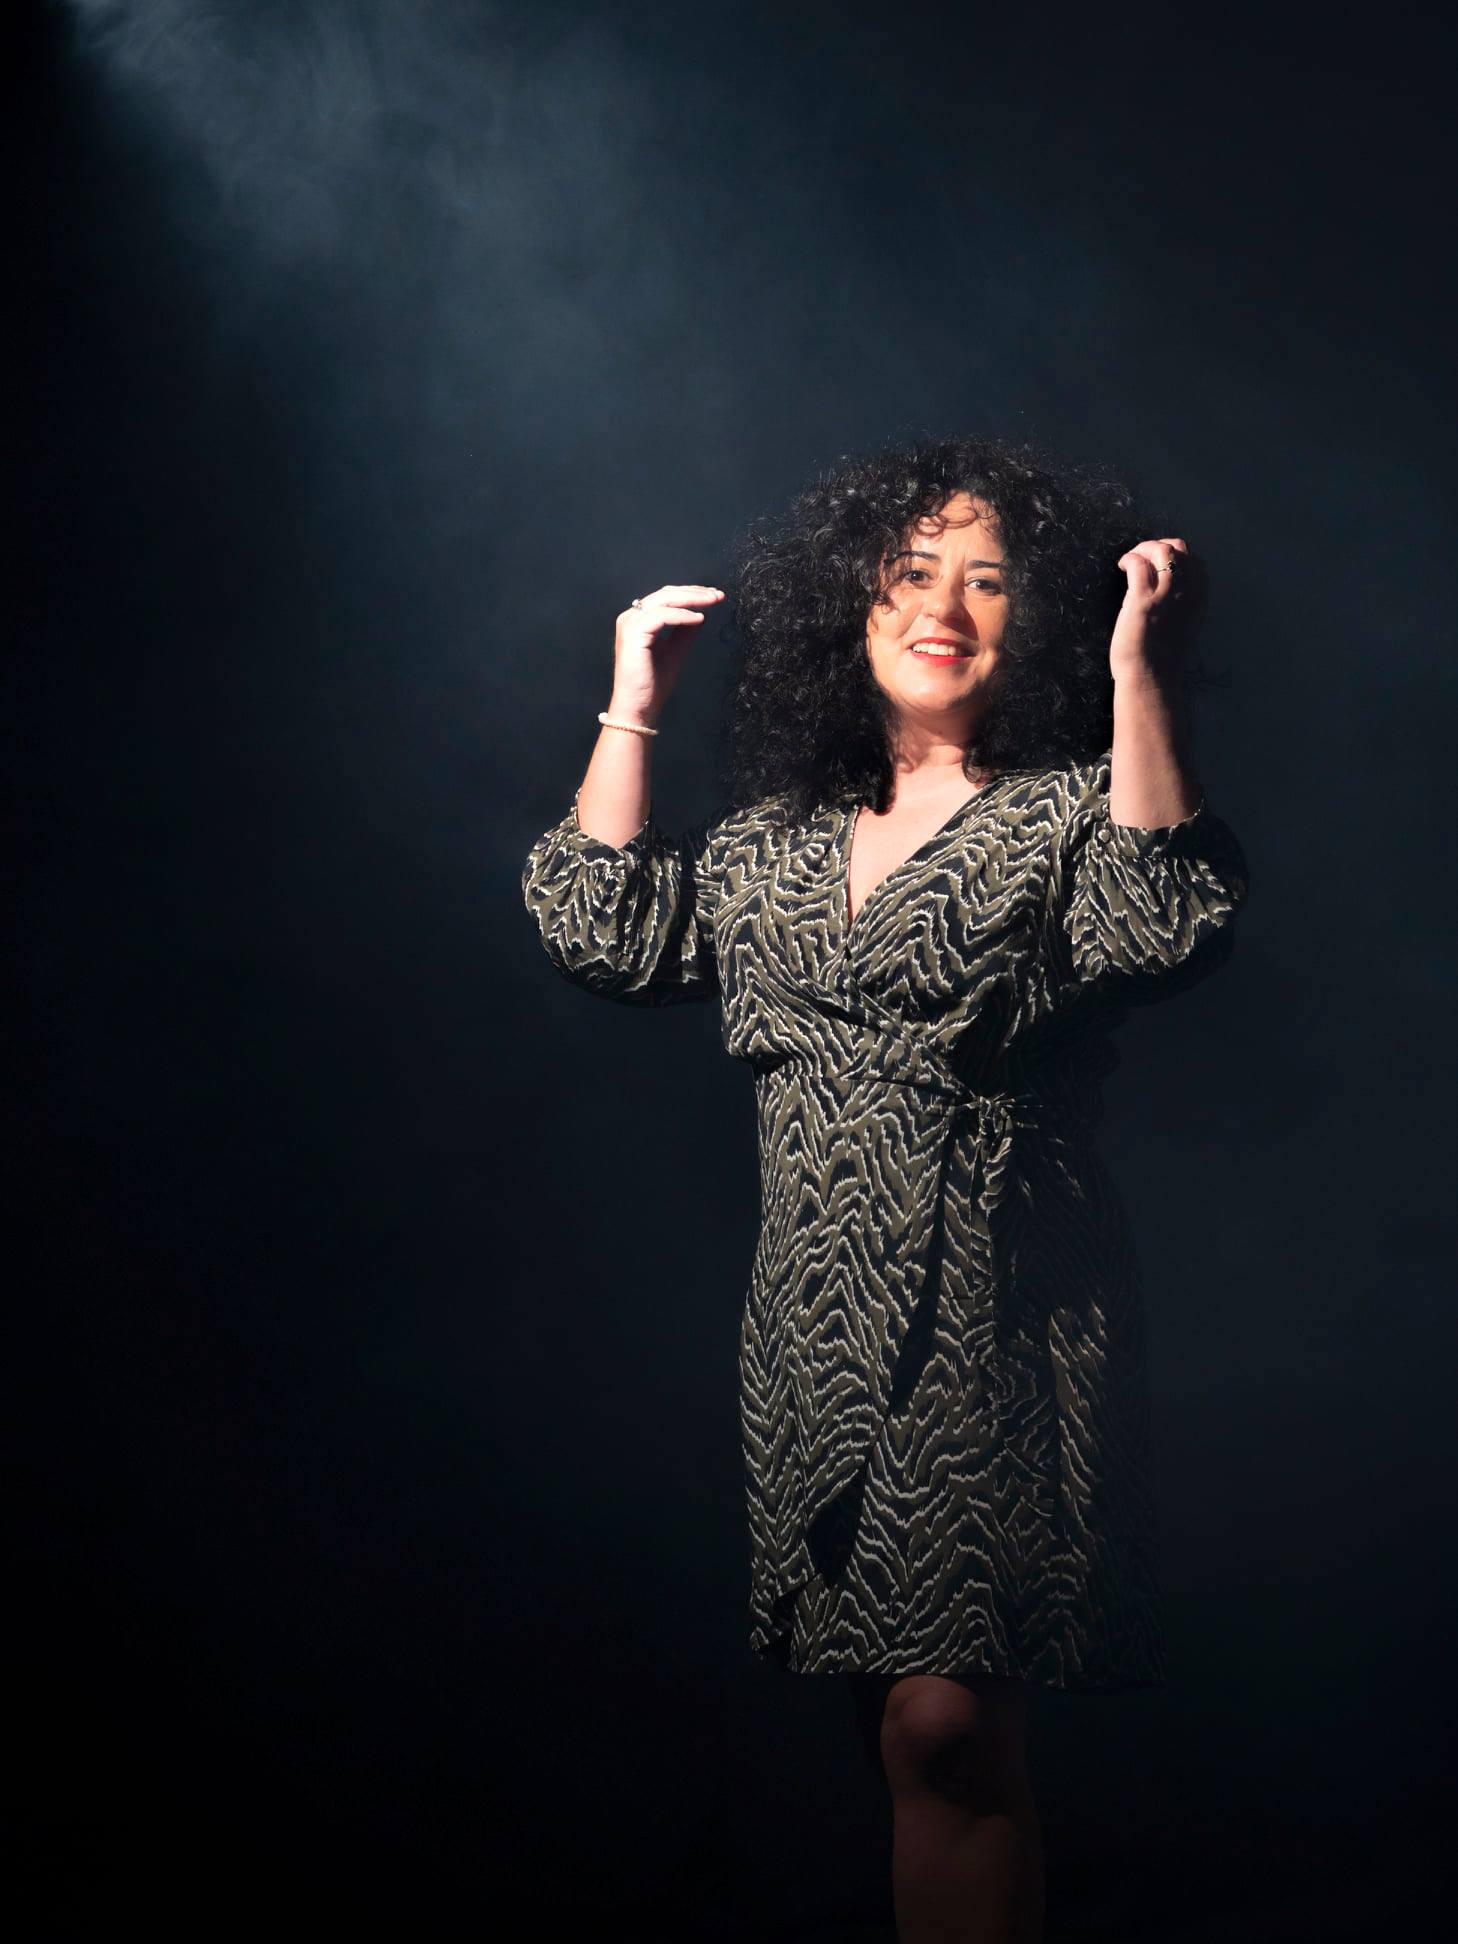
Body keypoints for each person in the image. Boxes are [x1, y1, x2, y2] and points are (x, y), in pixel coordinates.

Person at [520, 434, 1250, 1944]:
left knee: (944, 1720)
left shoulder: (1070, 810)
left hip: (998, 1293)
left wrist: (1143, 676)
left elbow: (1165, 920)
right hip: (811, 1313)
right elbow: (604, 931)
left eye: (990, 580)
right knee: (899, 1724)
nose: (944, 608)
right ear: (848, 603)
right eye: (912, 573)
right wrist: (632, 703)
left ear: (1042, 621)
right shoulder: (770, 843)